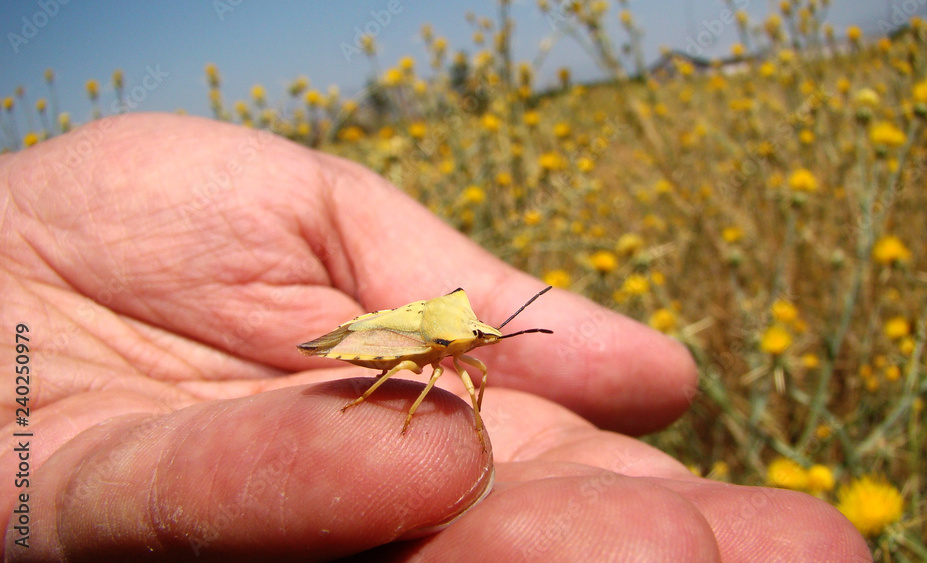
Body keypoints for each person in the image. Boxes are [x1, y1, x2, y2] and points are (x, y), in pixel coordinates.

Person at [0, 113, 869, 561]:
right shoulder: (436, 347)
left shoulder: (463, 345)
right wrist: (402, 397)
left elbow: (462, 356)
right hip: (380, 340)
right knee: (403, 393)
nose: (487, 344)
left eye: (492, 335)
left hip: (409, 336)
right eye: (487, 333)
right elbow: (414, 360)